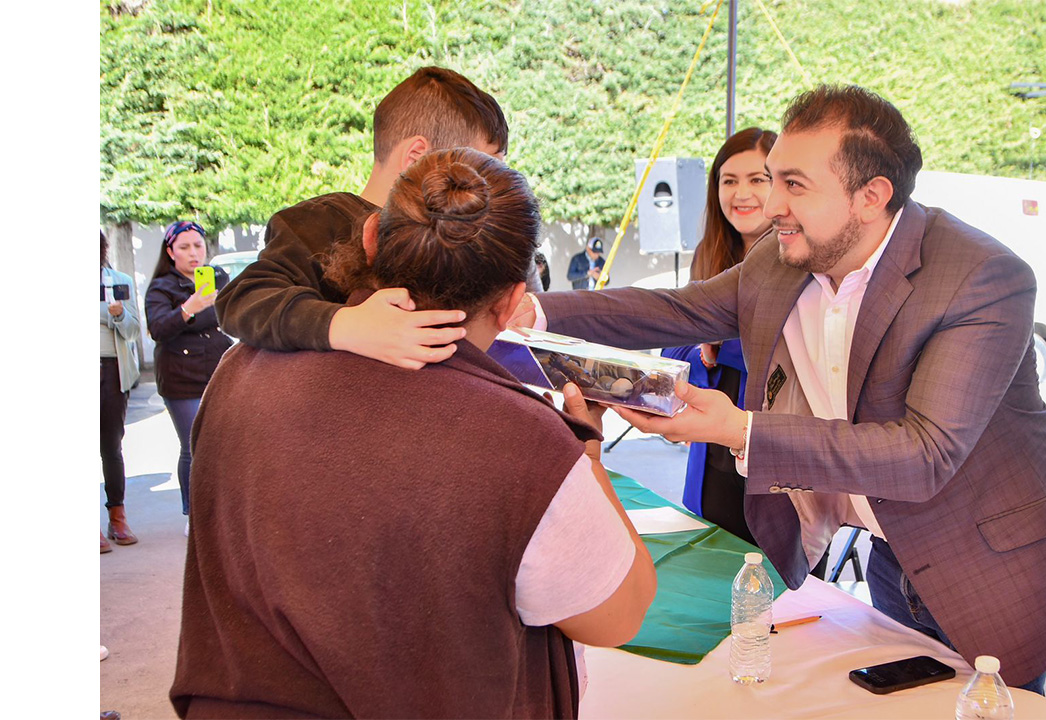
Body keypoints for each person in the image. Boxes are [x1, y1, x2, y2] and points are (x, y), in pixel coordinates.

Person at [516, 85, 1046, 693]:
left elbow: (924, 455)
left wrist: (736, 429)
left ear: (871, 197)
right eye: (773, 179)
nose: (771, 203)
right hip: (891, 549)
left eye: (794, 185)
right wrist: (529, 311)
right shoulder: (780, 261)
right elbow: (671, 309)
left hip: (988, 561)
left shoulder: (980, 277)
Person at [170, 148, 656, 719]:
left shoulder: (238, 373)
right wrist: (588, 454)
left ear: (371, 237)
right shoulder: (524, 441)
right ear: (511, 304)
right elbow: (619, 613)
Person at [214, 66, 507, 369]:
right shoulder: (320, 223)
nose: (492, 188)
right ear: (417, 157)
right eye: (483, 168)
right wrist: (346, 325)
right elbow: (243, 299)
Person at [660, 127, 776, 547]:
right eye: (729, 181)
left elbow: (794, 354)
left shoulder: (804, 257)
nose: (741, 193)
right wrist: (703, 347)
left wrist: (718, 343)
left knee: (779, 598)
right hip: (710, 454)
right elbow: (672, 347)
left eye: (757, 179)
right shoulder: (708, 254)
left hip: (771, 452)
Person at [145, 221, 234, 532]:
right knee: (194, 444)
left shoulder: (217, 278)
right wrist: (189, 308)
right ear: (170, 252)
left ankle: (221, 509)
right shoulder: (161, 287)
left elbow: (230, 317)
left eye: (198, 245)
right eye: (184, 247)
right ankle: (193, 514)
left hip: (218, 370)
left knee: (223, 443)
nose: (194, 253)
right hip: (181, 377)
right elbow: (158, 329)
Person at [100, 231, 142, 550]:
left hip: (112, 371)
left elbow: (132, 331)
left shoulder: (119, 280)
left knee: (111, 446)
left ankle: (118, 516)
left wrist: (119, 314)